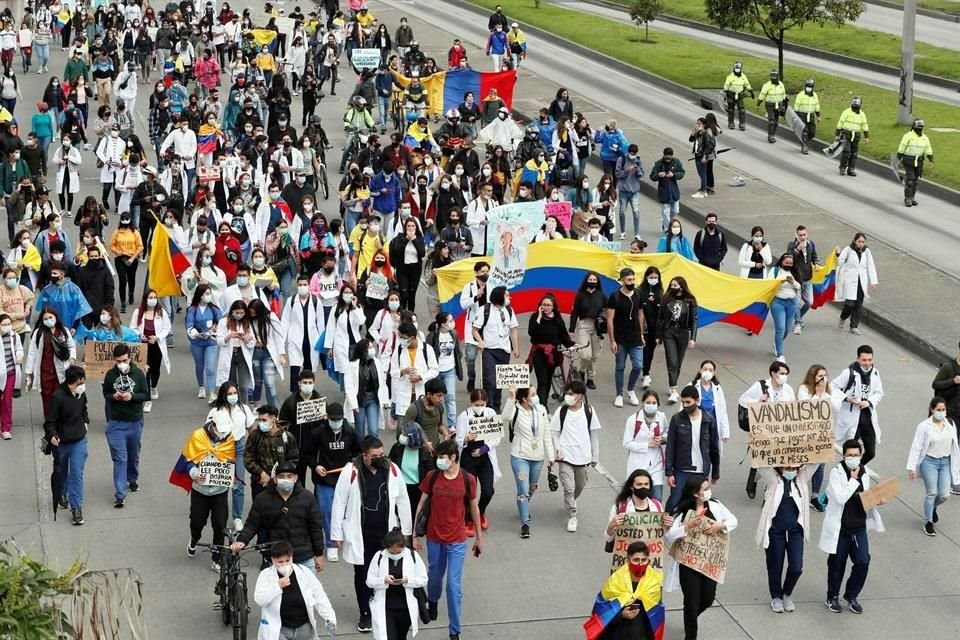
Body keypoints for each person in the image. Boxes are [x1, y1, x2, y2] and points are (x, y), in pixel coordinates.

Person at [331, 436, 413, 634]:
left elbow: (402, 499)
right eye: (374, 456)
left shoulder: (392, 470)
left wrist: (406, 531)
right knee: (362, 574)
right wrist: (336, 533)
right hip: (361, 534)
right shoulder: (351, 471)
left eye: (382, 454)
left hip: (386, 534)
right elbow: (339, 502)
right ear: (364, 456)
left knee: (386, 571)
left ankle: (383, 610)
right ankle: (365, 612)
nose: (379, 459)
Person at [412, 439, 483, 640]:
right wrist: (414, 534)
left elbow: (474, 508)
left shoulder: (468, 480)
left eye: (442, 457)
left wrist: (479, 537)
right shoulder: (432, 477)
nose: (438, 461)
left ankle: (454, 631)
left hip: (457, 539)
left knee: (453, 586)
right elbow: (421, 504)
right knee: (434, 577)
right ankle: (433, 600)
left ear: (453, 457)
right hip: (434, 537)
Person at [664, 475, 737, 639]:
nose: (708, 491)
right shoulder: (682, 510)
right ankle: (690, 634)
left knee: (708, 598)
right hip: (688, 563)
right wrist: (687, 526)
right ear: (695, 493)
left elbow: (733, 520)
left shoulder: (715, 505)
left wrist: (720, 525)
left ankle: (690, 618)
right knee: (691, 602)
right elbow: (670, 536)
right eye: (705, 489)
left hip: (710, 562)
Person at [819, 440, 885, 614]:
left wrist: (876, 500)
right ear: (844, 456)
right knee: (836, 564)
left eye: (856, 455)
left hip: (858, 527)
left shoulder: (864, 472)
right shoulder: (836, 473)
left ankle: (851, 595)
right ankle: (832, 597)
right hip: (840, 528)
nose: (853, 458)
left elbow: (863, 497)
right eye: (849, 455)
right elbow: (841, 498)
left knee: (863, 561)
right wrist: (853, 480)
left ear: (861, 455)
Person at [232, 460, 325, 575]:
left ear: (295, 478)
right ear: (275, 479)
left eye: (289, 476)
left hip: (303, 557)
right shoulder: (262, 499)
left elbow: (316, 528)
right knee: (278, 587)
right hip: (277, 559)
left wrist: (319, 554)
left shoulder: (308, 498)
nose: (286, 480)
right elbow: (252, 524)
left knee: (308, 587)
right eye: (281, 477)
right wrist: (242, 540)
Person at [170, 414, 235, 569]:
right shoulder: (197, 436)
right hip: (200, 489)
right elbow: (187, 459)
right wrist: (193, 473)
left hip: (220, 490)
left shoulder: (229, 438)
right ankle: (194, 538)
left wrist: (228, 473)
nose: (223, 434)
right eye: (220, 431)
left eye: (225, 432)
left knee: (220, 524)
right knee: (197, 521)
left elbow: (231, 460)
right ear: (213, 425)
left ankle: (217, 558)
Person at [307, 401, 362, 562]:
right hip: (324, 479)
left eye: (339, 419)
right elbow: (308, 454)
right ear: (327, 418)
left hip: (345, 479)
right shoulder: (318, 433)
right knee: (326, 510)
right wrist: (316, 466)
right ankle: (331, 543)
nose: (336, 422)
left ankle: (345, 536)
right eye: (333, 419)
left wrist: (351, 463)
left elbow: (359, 452)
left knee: (347, 509)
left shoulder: (351, 433)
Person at [756, 464, 815, 613]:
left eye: (794, 468)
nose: (791, 471)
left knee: (796, 567)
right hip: (776, 532)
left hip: (795, 532)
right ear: (780, 468)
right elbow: (759, 464)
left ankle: (787, 594)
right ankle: (776, 596)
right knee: (775, 565)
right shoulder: (773, 479)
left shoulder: (801, 478)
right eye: (787, 468)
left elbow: (817, 461)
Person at [253, 541, 338, 639]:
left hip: (303, 628)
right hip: (280, 630)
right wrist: (277, 586)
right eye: (280, 562)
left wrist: (330, 618)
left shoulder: (304, 572)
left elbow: (319, 596)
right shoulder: (266, 575)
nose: (284, 564)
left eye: (287, 560)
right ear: (273, 560)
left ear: (292, 557)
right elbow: (260, 600)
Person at [586, 540, 665, 640]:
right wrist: (621, 614)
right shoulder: (615, 580)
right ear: (628, 561)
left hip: (643, 634)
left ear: (648, 561)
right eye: (636, 560)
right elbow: (603, 610)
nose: (640, 564)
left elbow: (656, 612)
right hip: (618, 633)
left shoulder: (653, 581)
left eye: (644, 560)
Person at [502, 386, 553, 538]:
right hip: (520, 457)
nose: (536, 396)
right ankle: (525, 523)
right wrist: (511, 398)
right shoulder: (515, 409)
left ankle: (522, 504)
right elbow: (505, 416)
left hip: (538, 458)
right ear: (524, 398)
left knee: (531, 487)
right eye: (533, 394)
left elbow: (547, 434)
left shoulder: (541, 410)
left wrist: (551, 456)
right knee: (523, 488)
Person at [102, 343, 149, 509]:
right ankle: (120, 494)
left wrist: (132, 397)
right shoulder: (110, 375)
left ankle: (132, 478)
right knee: (120, 458)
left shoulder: (139, 374)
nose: (121, 364)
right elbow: (106, 393)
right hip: (116, 423)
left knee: (133, 454)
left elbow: (145, 394)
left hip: (135, 421)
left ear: (130, 358)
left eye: (124, 360)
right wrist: (114, 396)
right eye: (118, 361)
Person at [739, 361, 795, 499]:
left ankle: (769, 489)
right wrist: (758, 401)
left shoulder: (788, 389)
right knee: (762, 459)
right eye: (782, 373)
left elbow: (793, 409)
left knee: (775, 460)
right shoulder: (760, 386)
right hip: (763, 431)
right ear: (773, 373)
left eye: (786, 374)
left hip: (781, 431)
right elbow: (743, 400)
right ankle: (753, 481)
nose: (784, 376)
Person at [550, 380, 601, 533]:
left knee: (580, 485)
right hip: (565, 456)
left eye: (571, 394)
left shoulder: (589, 411)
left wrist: (595, 456)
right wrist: (558, 450)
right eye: (566, 393)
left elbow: (594, 435)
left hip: (583, 457)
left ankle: (571, 499)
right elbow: (554, 432)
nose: (568, 396)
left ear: (580, 395)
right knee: (569, 487)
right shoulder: (561, 411)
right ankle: (572, 515)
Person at [207, 381, 256, 531]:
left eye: (235, 393)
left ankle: (237, 517)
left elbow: (251, 428)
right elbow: (206, 432)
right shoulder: (215, 412)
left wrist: (254, 447)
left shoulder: (244, 409)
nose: (233, 396)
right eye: (230, 394)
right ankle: (219, 516)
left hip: (239, 448)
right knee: (222, 484)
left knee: (238, 484)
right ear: (223, 395)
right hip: (222, 450)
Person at [907, 397, 959, 536]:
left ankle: (932, 508)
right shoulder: (924, 426)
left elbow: (955, 445)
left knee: (944, 495)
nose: (941, 412)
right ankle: (928, 522)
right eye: (938, 410)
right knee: (932, 493)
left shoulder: (950, 424)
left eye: (943, 409)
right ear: (931, 409)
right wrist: (911, 467)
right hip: (929, 462)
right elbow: (916, 447)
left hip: (945, 462)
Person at [43, 365, 89, 526]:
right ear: (75, 381)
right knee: (61, 472)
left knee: (76, 473)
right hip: (62, 443)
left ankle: (76, 508)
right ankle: (62, 492)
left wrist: (86, 421)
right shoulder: (58, 397)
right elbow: (49, 422)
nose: (83, 384)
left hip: (79, 441)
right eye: (81, 381)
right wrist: (52, 435)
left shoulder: (81, 393)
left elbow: (84, 409)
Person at [365, 528, 429, 640]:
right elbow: (369, 581)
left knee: (401, 636)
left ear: (404, 547)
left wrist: (408, 580)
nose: (395, 554)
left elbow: (423, 579)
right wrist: (383, 580)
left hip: (405, 607)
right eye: (391, 552)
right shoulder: (379, 556)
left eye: (398, 552)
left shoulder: (412, 556)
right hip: (386, 607)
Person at [664, 386, 720, 512]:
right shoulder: (677, 419)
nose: (685, 405)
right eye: (683, 402)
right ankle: (667, 522)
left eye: (688, 402)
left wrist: (715, 472)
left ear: (697, 401)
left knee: (699, 503)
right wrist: (669, 472)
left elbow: (714, 448)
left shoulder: (708, 420)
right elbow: (670, 446)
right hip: (681, 469)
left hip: (701, 470)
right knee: (674, 501)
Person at [454, 390, 501, 537]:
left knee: (488, 491)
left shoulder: (491, 413)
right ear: (471, 403)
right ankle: (468, 519)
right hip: (468, 458)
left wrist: (484, 449)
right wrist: (466, 439)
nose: (479, 407)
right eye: (476, 405)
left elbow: (496, 436)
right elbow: (458, 440)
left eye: (482, 404)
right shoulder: (463, 417)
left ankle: (480, 512)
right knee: (468, 491)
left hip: (485, 457)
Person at [472, 285, 519, 413]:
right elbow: (475, 330)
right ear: (499, 297)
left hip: (504, 351)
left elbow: (513, 329)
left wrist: (516, 347)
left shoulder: (509, 310)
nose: (509, 297)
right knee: (490, 381)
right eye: (506, 295)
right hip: (489, 350)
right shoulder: (485, 310)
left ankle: (497, 405)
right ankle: (489, 407)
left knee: (500, 381)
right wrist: (480, 341)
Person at [25, 308, 77, 418]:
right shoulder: (39, 333)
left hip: (61, 370)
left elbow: (71, 346)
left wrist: (72, 358)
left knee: (61, 395)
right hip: (45, 371)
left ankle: (60, 418)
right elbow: (32, 352)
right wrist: (29, 371)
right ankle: (49, 420)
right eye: (45, 319)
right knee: (47, 396)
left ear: (56, 317)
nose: (48, 320)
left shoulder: (63, 331)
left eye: (50, 317)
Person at [245, 404, 300, 505]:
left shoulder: (287, 437)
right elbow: (248, 459)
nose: (261, 423)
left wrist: (281, 476)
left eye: (264, 420)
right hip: (260, 483)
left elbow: (293, 459)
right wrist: (261, 473)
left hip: (281, 485)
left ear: (273, 419)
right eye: (259, 420)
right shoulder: (255, 436)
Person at [527, 293, 575, 408]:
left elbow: (563, 335)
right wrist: (539, 317)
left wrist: (571, 345)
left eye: (548, 305)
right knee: (542, 381)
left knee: (548, 380)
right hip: (539, 353)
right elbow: (532, 333)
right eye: (544, 305)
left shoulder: (557, 319)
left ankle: (543, 403)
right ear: (540, 306)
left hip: (553, 355)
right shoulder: (535, 317)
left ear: (553, 307)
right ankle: (542, 408)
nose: (546, 307)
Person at [606, 268, 644, 409]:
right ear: (622, 280)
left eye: (633, 279)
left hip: (635, 338)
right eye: (629, 280)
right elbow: (610, 319)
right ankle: (619, 395)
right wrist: (612, 340)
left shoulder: (638, 294)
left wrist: (641, 334)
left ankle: (630, 390)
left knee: (638, 365)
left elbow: (640, 314)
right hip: (620, 338)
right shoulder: (614, 297)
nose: (632, 282)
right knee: (620, 366)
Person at [656, 277, 698, 404]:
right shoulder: (666, 299)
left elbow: (694, 319)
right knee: (672, 361)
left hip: (683, 333)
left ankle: (672, 384)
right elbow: (660, 318)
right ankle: (674, 390)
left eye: (675, 285)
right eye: (671, 285)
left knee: (678, 363)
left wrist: (693, 338)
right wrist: (658, 336)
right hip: (669, 332)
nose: (672, 287)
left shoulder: (690, 300)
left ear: (682, 287)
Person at [130, 289, 172, 411]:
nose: (153, 300)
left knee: (155, 369)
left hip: (157, 345)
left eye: (154, 297)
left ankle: (154, 386)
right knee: (146, 370)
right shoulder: (138, 312)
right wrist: (139, 335)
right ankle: (147, 400)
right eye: (150, 297)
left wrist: (157, 337)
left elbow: (167, 328)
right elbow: (132, 328)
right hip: (143, 345)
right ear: (145, 299)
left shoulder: (161, 312)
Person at [622, 392, 669, 501]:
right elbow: (627, 443)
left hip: (656, 463)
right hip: (638, 464)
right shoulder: (633, 420)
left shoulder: (661, 417)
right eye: (648, 402)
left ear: (658, 404)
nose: (651, 405)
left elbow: (667, 432)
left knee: (657, 498)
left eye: (654, 403)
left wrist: (663, 439)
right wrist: (647, 445)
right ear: (642, 403)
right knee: (637, 498)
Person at [835, 233, 878, 336]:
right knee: (849, 304)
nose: (861, 244)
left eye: (863, 242)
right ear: (855, 241)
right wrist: (838, 254)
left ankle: (853, 326)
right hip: (850, 281)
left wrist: (873, 281)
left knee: (858, 305)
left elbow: (871, 266)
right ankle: (843, 317)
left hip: (861, 282)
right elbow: (840, 262)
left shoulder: (866, 251)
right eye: (859, 241)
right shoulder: (848, 250)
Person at [425, 312, 462, 433]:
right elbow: (427, 354)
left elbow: (457, 351)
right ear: (442, 324)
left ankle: (452, 425)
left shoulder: (453, 334)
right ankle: (436, 422)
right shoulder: (432, 336)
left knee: (450, 398)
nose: (452, 323)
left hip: (450, 370)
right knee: (436, 399)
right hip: (436, 372)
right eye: (449, 321)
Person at [185, 285, 223, 401]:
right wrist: (196, 334)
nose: (209, 296)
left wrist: (216, 326)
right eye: (207, 293)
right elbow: (189, 325)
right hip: (197, 341)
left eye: (209, 293)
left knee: (210, 368)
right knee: (199, 366)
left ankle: (212, 393)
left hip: (211, 341)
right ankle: (201, 387)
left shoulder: (214, 309)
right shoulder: (192, 310)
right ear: (200, 295)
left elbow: (222, 322)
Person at [568, 272, 605, 390]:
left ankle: (590, 378)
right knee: (585, 354)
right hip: (584, 325)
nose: (592, 282)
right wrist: (571, 329)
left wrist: (603, 318)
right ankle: (581, 371)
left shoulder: (601, 295)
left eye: (595, 280)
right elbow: (574, 312)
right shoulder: (580, 295)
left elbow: (608, 310)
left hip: (597, 327)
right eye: (590, 279)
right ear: (586, 281)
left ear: (598, 282)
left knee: (594, 355)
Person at [459, 261, 489, 392]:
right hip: (473, 325)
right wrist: (476, 297)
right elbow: (463, 305)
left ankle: (486, 384)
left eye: (487, 271)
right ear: (476, 273)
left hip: (487, 326)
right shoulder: (469, 286)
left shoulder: (492, 285)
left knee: (487, 358)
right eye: (483, 271)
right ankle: (471, 377)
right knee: (470, 358)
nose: (485, 274)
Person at [786, 225, 819, 335]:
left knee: (809, 302)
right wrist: (797, 249)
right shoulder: (791, 245)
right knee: (797, 303)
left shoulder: (811, 244)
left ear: (807, 234)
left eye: (804, 234)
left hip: (808, 278)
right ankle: (798, 324)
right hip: (796, 279)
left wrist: (816, 263)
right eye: (800, 235)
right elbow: (789, 259)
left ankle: (798, 316)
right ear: (796, 235)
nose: (803, 237)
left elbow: (814, 256)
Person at [769, 253, 801, 362]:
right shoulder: (775, 271)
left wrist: (793, 282)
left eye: (790, 263)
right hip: (778, 302)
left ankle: (777, 343)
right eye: (786, 263)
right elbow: (769, 283)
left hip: (792, 302)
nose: (788, 265)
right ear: (781, 262)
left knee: (787, 329)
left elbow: (799, 286)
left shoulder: (794, 272)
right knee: (781, 328)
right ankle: (780, 355)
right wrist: (781, 281)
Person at [897, 118, 934, 208]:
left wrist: (931, 160)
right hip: (908, 161)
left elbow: (928, 149)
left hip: (919, 162)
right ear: (914, 126)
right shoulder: (908, 136)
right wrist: (898, 159)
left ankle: (912, 197)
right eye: (918, 126)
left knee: (915, 181)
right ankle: (908, 198)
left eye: (921, 126)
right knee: (910, 181)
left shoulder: (925, 138)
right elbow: (902, 148)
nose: (920, 128)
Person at [649, 147, 684, 233]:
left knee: (675, 210)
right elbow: (652, 176)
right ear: (664, 155)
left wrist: (674, 175)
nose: (668, 160)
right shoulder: (658, 164)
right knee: (665, 212)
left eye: (669, 158)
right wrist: (658, 175)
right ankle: (667, 229)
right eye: (666, 158)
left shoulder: (676, 162)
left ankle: (668, 222)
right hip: (663, 191)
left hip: (674, 191)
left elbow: (682, 172)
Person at [614, 144, 643, 240]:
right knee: (622, 212)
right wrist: (627, 170)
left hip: (634, 191)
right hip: (623, 191)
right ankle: (622, 232)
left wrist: (637, 170)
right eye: (632, 153)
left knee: (636, 212)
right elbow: (618, 174)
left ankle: (637, 233)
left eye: (635, 154)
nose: (633, 155)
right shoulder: (621, 160)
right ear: (628, 152)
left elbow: (641, 175)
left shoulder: (638, 161)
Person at [0, 313, 22, 439]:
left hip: (10, 374)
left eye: (9, 324)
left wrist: (19, 355)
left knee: (7, 401)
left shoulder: (14, 336)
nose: (7, 327)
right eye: (4, 324)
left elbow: (19, 348)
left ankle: (6, 428)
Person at [835, 97, 869, 177]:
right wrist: (837, 135)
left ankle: (851, 169)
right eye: (854, 104)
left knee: (854, 153)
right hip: (846, 133)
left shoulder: (862, 115)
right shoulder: (846, 112)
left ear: (860, 105)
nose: (855, 106)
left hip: (856, 135)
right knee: (846, 151)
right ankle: (842, 167)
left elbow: (865, 125)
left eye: (857, 105)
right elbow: (840, 123)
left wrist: (866, 137)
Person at [757, 69, 786, 143]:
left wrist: (783, 106)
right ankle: (770, 136)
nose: (773, 78)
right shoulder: (767, 85)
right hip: (769, 105)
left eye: (775, 76)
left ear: (778, 77)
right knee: (772, 121)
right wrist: (758, 104)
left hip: (778, 105)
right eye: (772, 76)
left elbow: (783, 96)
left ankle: (773, 134)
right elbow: (762, 95)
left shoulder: (781, 85)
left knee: (776, 122)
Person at [723, 61, 752, 131]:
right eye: (736, 68)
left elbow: (747, 84)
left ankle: (742, 124)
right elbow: (726, 86)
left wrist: (751, 91)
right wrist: (726, 93)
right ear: (733, 68)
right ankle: (731, 123)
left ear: (741, 68)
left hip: (740, 95)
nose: (737, 69)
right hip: (731, 94)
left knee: (742, 110)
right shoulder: (730, 77)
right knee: (731, 109)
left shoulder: (743, 76)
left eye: (738, 68)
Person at [794, 78, 820, 154]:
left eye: (810, 86)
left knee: (812, 132)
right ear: (805, 86)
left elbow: (817, 106)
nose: (809, 88)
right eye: (808, 86)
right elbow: (796, 107)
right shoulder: (800, 95)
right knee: (805, 131)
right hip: (802, 115)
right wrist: (796, 117)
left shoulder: (815, 95)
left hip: (811, 116)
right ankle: (804, 146)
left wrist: (818, 116)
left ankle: (803, 140)